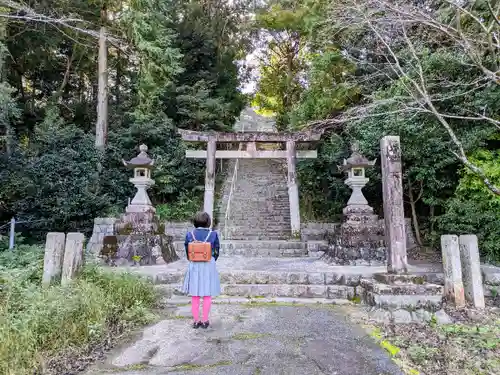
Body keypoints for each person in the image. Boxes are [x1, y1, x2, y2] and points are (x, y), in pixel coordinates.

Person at [182, 211, 221, 329]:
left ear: (195, 222)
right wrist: (212, 259)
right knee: (207, 295)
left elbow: (187, 251)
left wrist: (193, 259)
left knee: (195, 295)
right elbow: (216, 251)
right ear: (208, 222)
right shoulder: (213, 234)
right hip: (208, 264)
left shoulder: (190, 234)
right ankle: (205, 320)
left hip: (194, 265)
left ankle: (195, 321)